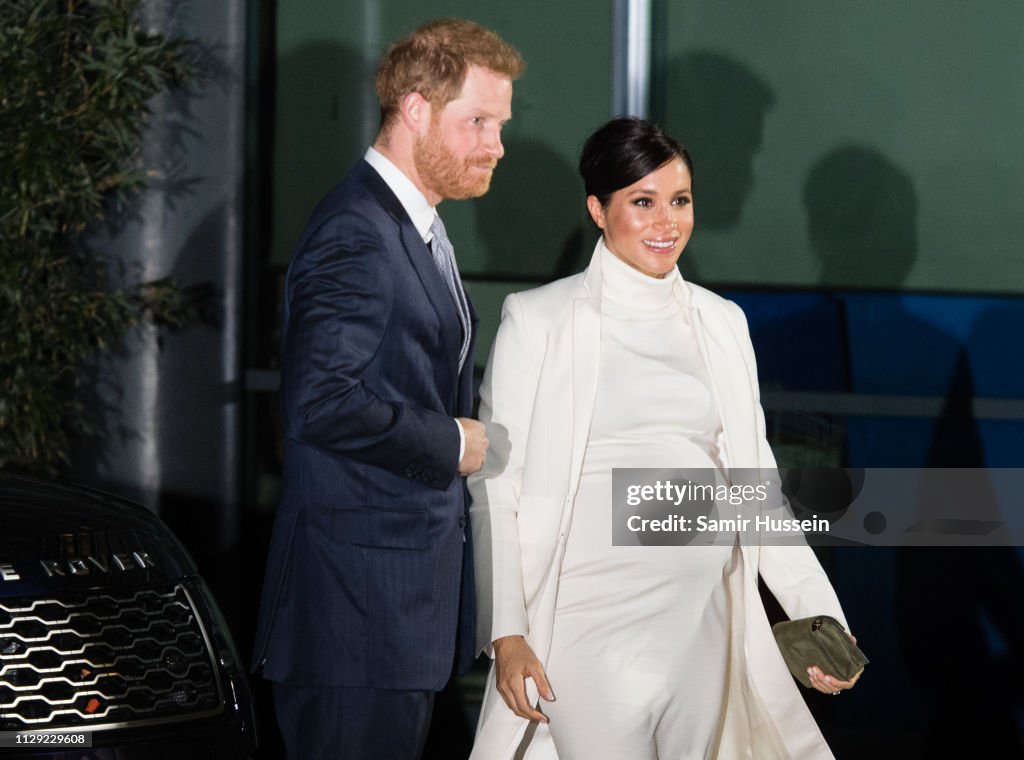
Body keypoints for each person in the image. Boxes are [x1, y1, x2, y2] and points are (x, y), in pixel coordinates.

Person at [469, 117, 860, 760]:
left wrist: (818, 614)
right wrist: (506, 632)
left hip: (702, 623)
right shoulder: (538, 319)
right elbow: (497, 489)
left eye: (679, 201)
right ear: (598, 209)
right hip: (585, 625)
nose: (666, 222)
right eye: (642, 202)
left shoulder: (722, 322)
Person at [252, 19, 524, 759]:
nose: (496, 145)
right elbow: (319, 403)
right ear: (414, 110)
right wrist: (452, 442)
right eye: (478, 122)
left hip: (388, 616)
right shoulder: (359, 232)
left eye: (499, 125)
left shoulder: (410, 226)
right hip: (353, 618)